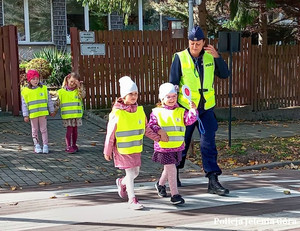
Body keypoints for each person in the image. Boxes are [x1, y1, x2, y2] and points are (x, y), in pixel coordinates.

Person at [169, 25, 230, 196]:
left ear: (204, 42)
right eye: (191, 42)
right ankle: (174, 174)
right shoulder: (180, 58)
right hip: (186, 109)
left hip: (206, 109)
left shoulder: (211, 57)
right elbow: (173, 83)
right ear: (188, 42)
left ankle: (213, 179)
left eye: (198, 43)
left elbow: (225, 74)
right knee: (182, 143)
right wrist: (171, 108)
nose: (194, 46)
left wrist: (218, 57)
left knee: (208, 143)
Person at [103, 76, 160, 210]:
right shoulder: (117, 113)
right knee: (130, 174)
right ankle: (132, 199)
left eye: (136, 94)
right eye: (131, 94)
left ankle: (121, 182)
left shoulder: (139, 111)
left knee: (135, 173)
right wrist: (107, 150)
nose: (134, 96)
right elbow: (110, 133)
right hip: (122, 149)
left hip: (135, 148)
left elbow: (145, 128)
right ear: (123, 96)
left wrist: (157, 138)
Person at [147, 83, 198, 205]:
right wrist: (159, 130)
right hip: (163, 147)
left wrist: (193, 110)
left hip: (177, 145)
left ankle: (160, 185)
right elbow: (151, 125)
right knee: (171, 168)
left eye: (174, 96)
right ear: (162, 98)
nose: (171, 99)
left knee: (169, 167)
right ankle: (175, 195)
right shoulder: (156, 112)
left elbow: (189, 120)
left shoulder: (181, 111)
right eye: (168, 97)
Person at [21, 69, 55, 154]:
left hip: (42, 113)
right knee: (34, 130)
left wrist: (52, 110)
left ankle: (45, 145)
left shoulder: (43, 88)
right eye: (33, 79)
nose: (36, 81)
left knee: (44, 129)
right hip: (33, 114)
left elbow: (49, 100)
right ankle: (37, 145)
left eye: (37, 78)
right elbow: (24, 104)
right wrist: (25, 115)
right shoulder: (25, 91)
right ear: (29, 80)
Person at [57, 72, 86, 153]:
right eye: (71, 82)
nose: (73, 84)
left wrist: (80, 86)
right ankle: (68, 146)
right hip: (67, 115)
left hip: (76, 115)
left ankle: (74, 144)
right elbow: (57, 102)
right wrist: (53, 111)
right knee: (69, 130)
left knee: (75, 130)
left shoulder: (78, 91)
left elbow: (83, 96)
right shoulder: (61, 91)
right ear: (67, 80)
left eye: (75, 82)